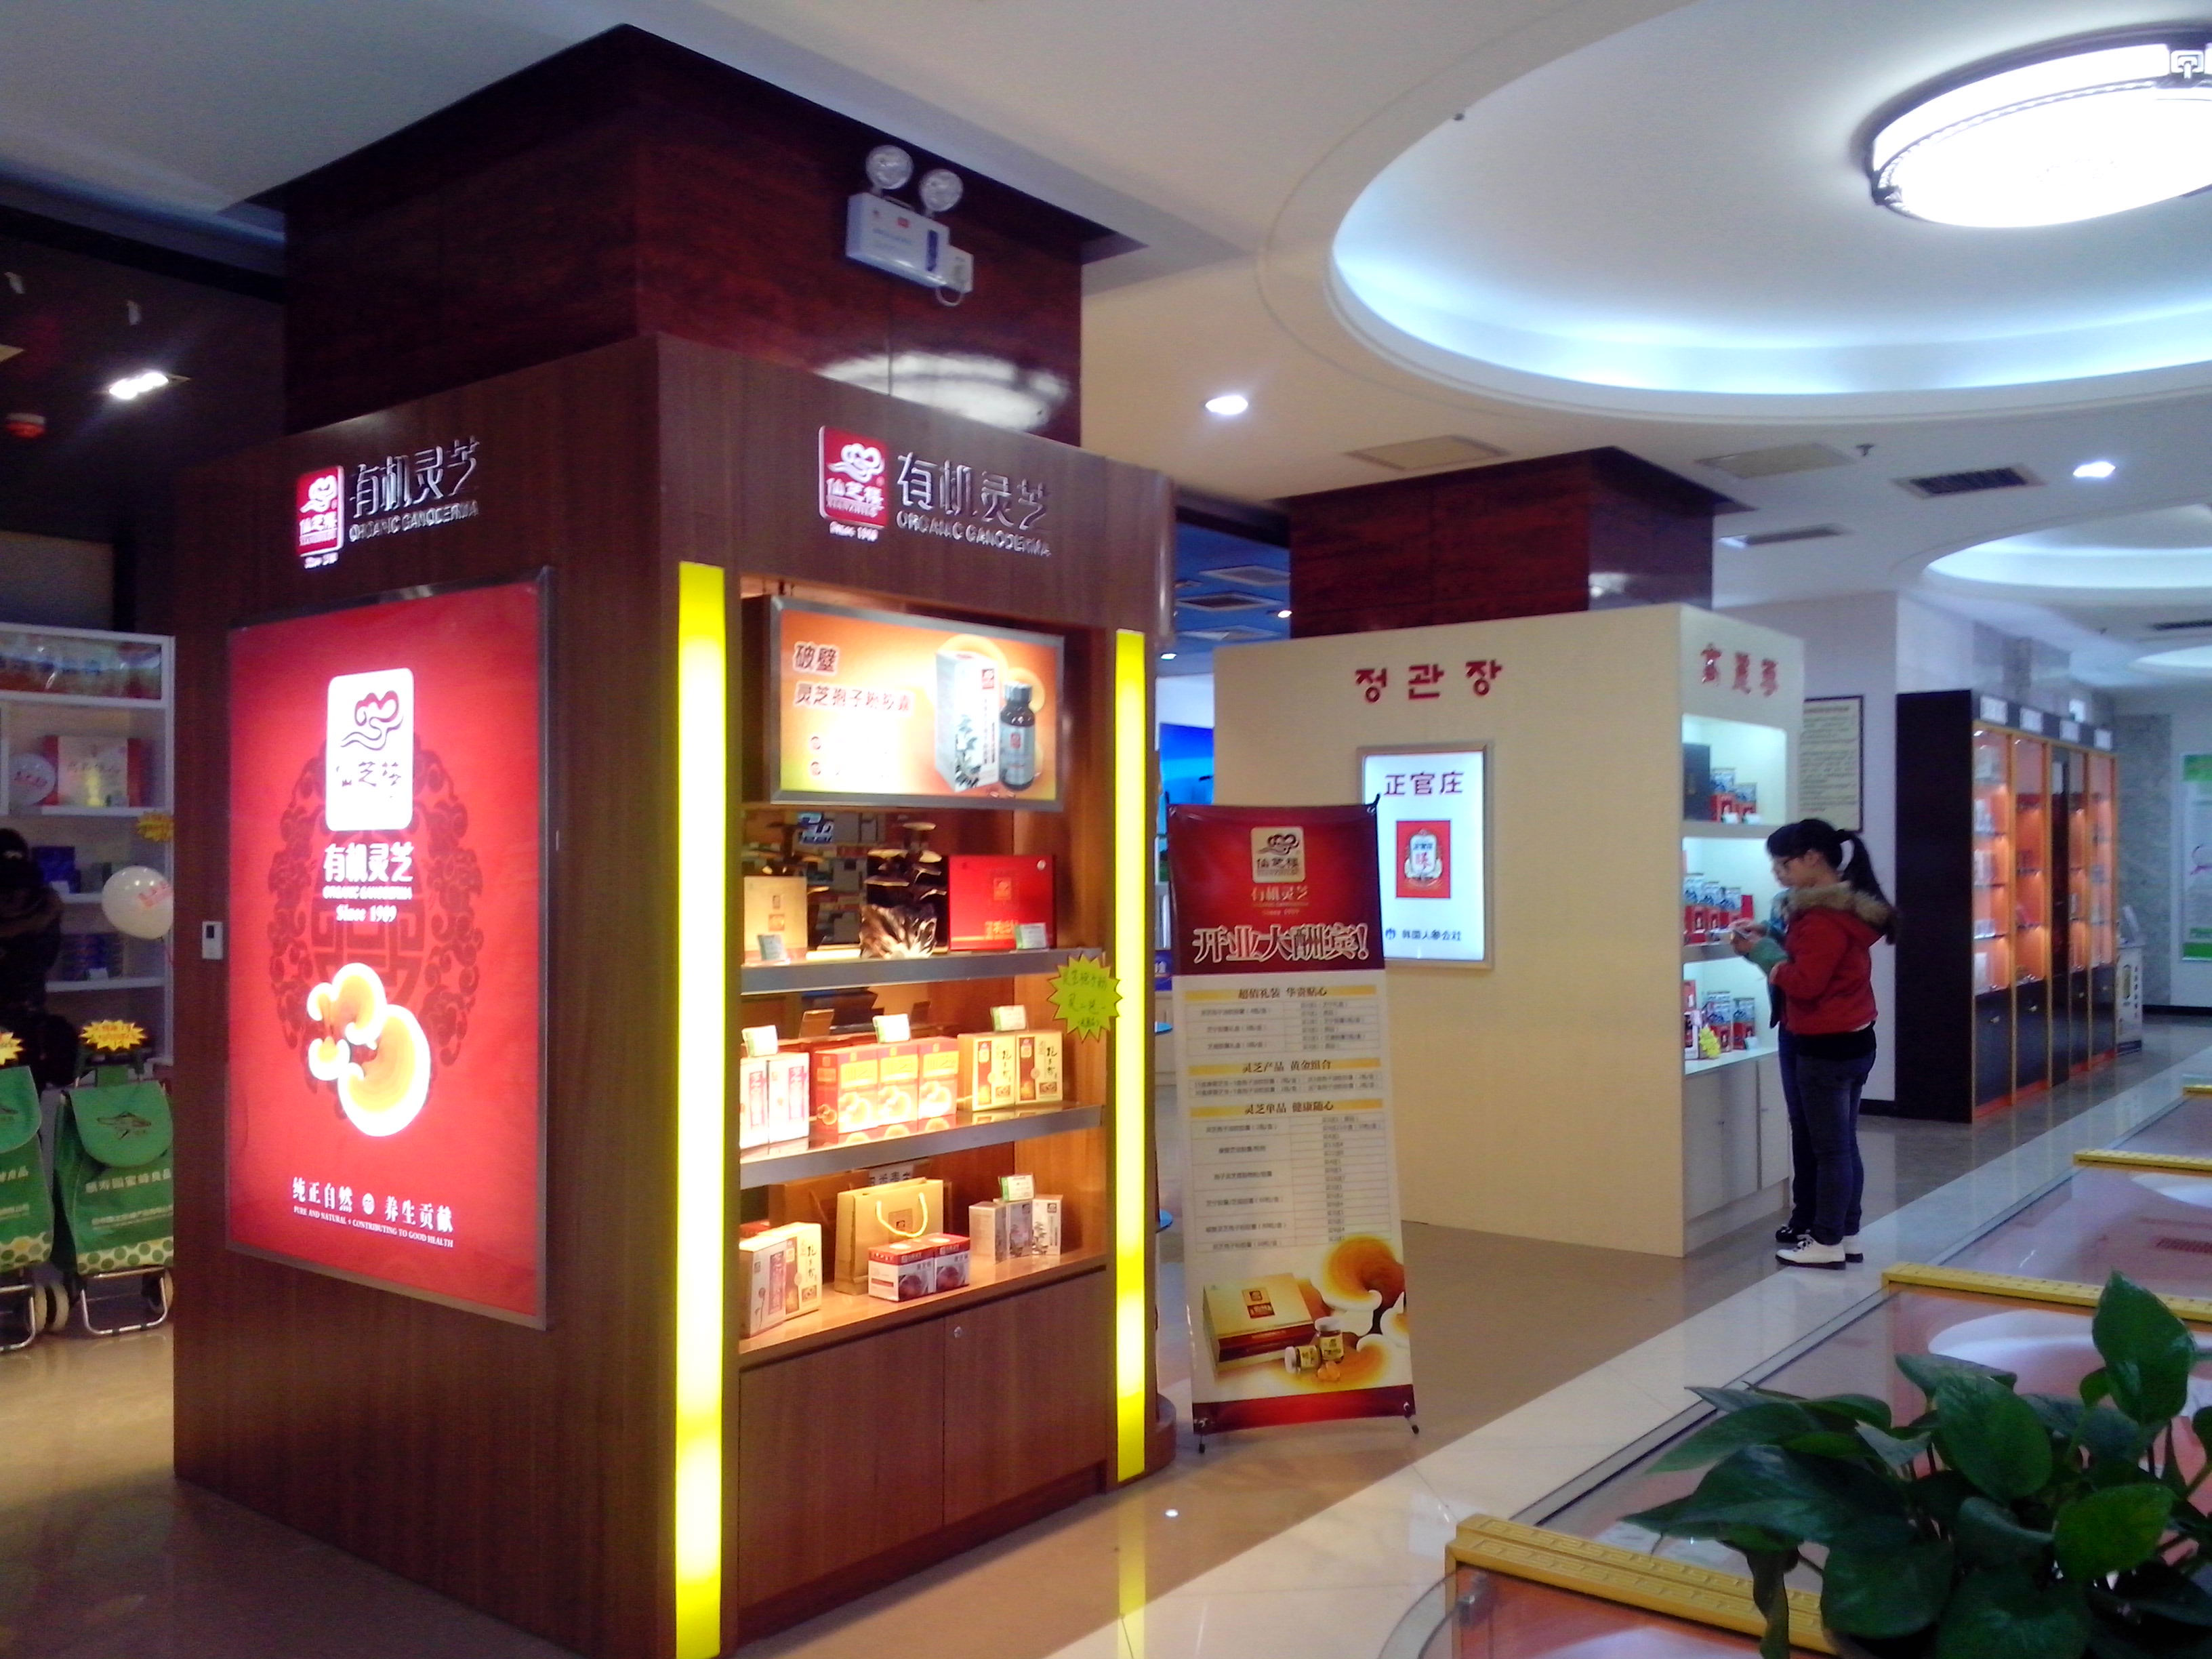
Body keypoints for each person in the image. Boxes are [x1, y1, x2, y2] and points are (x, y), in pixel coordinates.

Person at [1730, 818, 1893, 1269]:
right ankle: (1846, 1232)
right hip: (1852, 1038)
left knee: (1830, 1148)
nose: (1778, 874)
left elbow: (1806, 982)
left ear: (1812, 859)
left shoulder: (1822, 919)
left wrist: (1761, 953)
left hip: (1824, 1043)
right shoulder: (1842, 911)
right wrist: (1774, 937)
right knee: (1841, 1143)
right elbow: (1820, 961)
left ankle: (1826, 1241)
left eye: (1783, 865)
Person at [0, 829, 67, 1086]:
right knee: (27, 1095)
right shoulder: (44, 903)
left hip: (17, 1013)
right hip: (29, 1015)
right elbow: (44, 960)